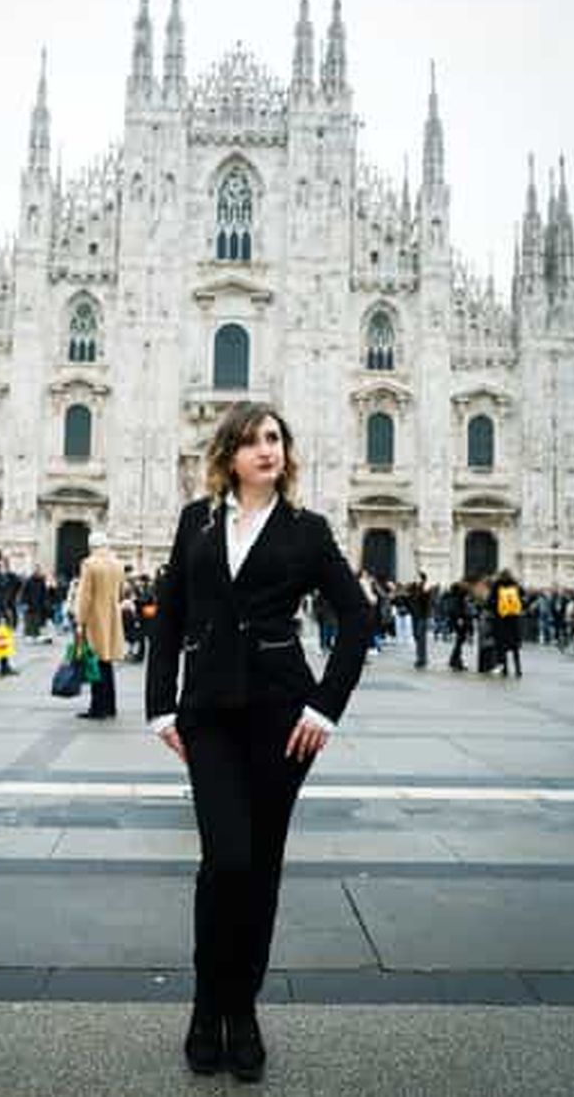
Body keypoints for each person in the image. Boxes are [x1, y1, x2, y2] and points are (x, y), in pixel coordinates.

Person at [146, 401, 368, 1082]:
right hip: (208, 714)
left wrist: (326, 707)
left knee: (260, 866)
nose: (265, 449)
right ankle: (204, 1005)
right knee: (226, 861)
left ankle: (240, 1011)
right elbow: (171, 611)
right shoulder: (198, 521)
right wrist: (160, 708)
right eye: (251, 440)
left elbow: (357, 617)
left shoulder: (307, 531)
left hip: (280, 716)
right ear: (229, 455)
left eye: (274, 438)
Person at [75, 529, 125, 719]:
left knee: (95, 663)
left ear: (91, 546)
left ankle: (98, 708)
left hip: (95, 618)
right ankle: (110, 706)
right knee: (106, 663)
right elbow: (121, 593)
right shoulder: (118, 564)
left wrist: (80, 621)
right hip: (112, 617)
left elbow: (85, 596)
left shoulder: (90, 564)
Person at [489, 568, 525, 678]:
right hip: (513, 620)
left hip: (501, 620)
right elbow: (523, 595)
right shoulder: (515, 585)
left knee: (502, 646)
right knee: (515, 647)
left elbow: (491, 601)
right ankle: (518, 669)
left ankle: (505, 669)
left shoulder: (497, 585)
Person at [408, 571, 431, 668]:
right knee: (416, 636)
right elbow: (407, 597)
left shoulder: (425, 589)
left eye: (416, 577)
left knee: (421, 638)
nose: (415, 579)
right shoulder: (413, 588)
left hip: (422, 616)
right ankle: (421, 657)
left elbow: (426, 602)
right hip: (415, 616)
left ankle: (421, 659)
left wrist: (424, 591)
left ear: (422, 579)